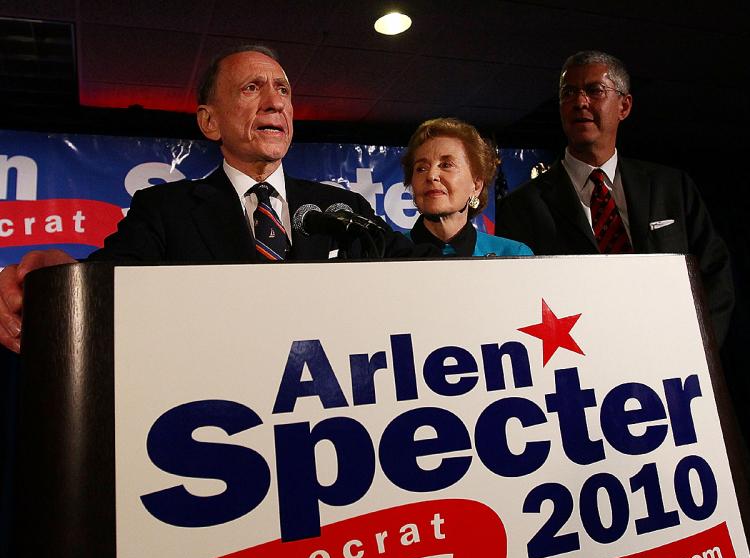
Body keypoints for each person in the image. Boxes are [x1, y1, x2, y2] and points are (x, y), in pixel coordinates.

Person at [0, 45, 432, 354]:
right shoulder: (165, 210)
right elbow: (107, 281)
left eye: (283, 90)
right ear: (210, 121)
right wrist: (54, 271)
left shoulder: (343, 208)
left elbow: (420, 271)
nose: (274, 103)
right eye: (251, 89)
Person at [495, 50, 734, 343]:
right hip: (582, 370)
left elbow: (714, 275)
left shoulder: (671, 187)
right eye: (568, 93)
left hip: (676, 360)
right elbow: (516, 301)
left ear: (624, 105)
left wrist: (698, 348)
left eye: (594, 90)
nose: (580, 102)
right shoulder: (520, 207)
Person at [402, 118, 532, 257]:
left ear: (476, 186)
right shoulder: (386, 254)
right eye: (421, 168)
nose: (431, 175)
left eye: (446, 165)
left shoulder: (512, 255)